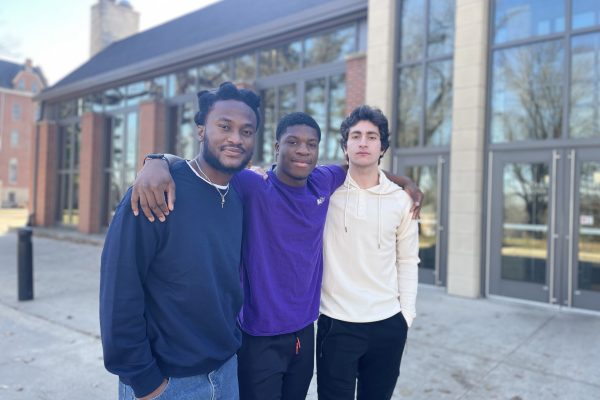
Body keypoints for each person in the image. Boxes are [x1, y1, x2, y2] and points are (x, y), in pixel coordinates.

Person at [131, 111, 423, 400]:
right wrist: (157, 161)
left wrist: (405, 183)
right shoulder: (252, 184)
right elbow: (204, 167)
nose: (302, 150)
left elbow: (363, 167)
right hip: (261, 335)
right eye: (293, 142)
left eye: (311, 144)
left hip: (305, 332)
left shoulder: (325, 180)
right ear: (276, 147)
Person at [99, 82, 260, 400]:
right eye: (224, 126)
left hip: (226, 373)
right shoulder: (156, 192)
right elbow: (119, 291)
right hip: (169, 383)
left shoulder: (239, 196)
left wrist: (158, 157)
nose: (235, 138)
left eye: (246, 131)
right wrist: (145, 381)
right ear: (201, 130)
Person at [317, 105, 419, 399]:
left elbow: (408, 260)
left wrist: (406, 315)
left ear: (382, 147)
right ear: (345, 145)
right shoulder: (325, 193)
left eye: (372, 137)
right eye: (356, 135)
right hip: (336, 324)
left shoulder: (401, 201)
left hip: (388, 324)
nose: (363, 142)